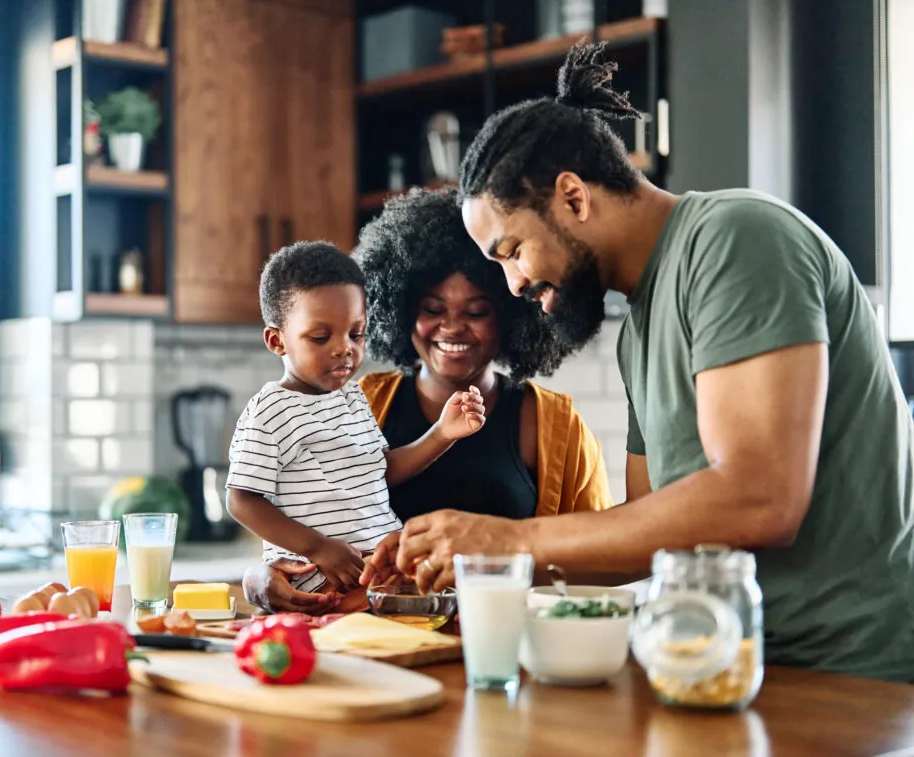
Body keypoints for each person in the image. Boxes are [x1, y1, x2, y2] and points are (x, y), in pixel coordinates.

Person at [384, 42, 914, 681]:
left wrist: (512, 542)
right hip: (719, 666)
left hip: (845, 678)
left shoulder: (738, 239)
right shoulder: (639, 329)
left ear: (573, 198)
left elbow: (761, 497)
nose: (513, 283)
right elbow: (642, 539)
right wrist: (460, 559)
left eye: (512, 249)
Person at [242, 190, 614, 613]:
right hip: (372, 646)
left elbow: (596, 562)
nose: (451, 328)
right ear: (399, 309)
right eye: (433, 308)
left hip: (497, 643)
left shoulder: (555, 426)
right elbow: (299, 529)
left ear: (511, 316)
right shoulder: (354, 404)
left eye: (476, 312)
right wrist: (259, 578)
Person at [226, 241, 486, 596]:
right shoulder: (272, 409)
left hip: (376, 575)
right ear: (276, 341)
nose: (344, 348)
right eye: (320, 337)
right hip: (321, 580)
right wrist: (318, 547)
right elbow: (242, 499)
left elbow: (379, 469)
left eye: (356, 333)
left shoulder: (351, 396)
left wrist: (442, 433)